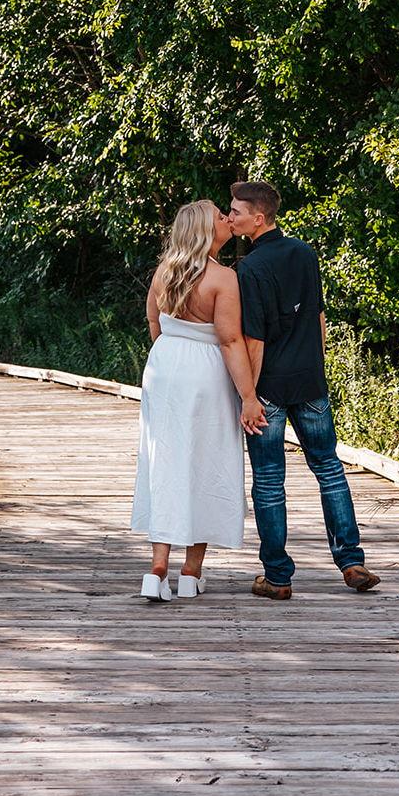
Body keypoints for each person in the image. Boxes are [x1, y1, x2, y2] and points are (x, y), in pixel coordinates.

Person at [229, 180, 381, 600]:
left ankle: (278, 577)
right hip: (310, 379)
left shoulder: (249, 268)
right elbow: (318, 317)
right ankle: (351, 561)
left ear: (258, 218)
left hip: (270, 387)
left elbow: (254, 338)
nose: (231, 218)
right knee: (328, 468)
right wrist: (317, 365)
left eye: (237, 212)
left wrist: (249, 396)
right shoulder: (305, 253)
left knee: (269, 480)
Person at [130, 199, 268, 601]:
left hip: (163, 366)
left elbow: (154, 321)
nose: (227, 220)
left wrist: (171, 351)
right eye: (220, 217)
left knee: (165, 462)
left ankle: (157, 570)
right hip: (205, 372)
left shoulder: (164, 271)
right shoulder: (223, 278)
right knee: (205, 463)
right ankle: (190, 573)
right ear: (207, 231)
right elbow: (229, 340)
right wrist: (248, 396)